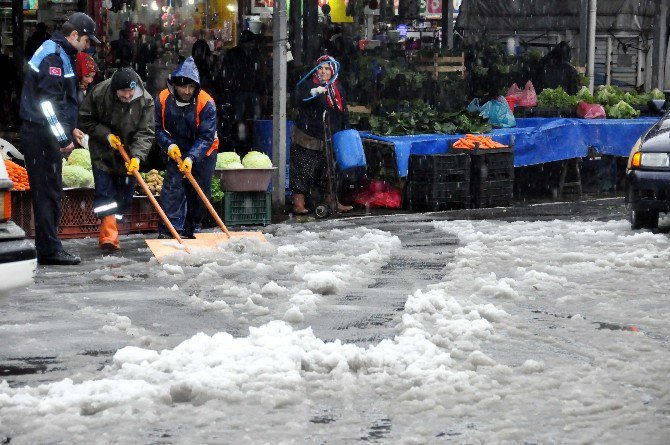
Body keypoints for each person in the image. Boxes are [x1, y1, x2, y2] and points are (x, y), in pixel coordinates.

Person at [19, 12, 100, 265]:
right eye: (87, 41)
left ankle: (49, 246)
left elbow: (60, 102)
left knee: (50, 192)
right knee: (47, 192)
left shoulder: (59, 52)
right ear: (74, 35)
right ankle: (49, 249)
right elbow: (48, 105)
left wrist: (71, 128)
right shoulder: (54, 56)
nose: (88, 47)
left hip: (43, 133)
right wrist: (63, 137)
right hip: (41, 136)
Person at [78, 68, 154, 251]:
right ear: (114, 90)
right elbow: (86, 120)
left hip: (128, 153)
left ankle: (114, 227)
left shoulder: (146, 100)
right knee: (105, 193)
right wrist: (106, 136)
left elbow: (146, 132)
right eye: (123, 92)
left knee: (125, 197)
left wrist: (136, 157)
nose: (127, 96)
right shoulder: (99, 93)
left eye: (130, 92)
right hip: (103, 152)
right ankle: (109, 236)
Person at [154, 56, 218, 239]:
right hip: (176, 149)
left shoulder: (206, 103)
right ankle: (169, 229)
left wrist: (191, 157)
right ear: (175, 85)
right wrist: (169, 144)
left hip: (204, 151)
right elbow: (157, 128)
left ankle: (192, 228)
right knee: (173, 189)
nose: (187, 91)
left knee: (199, 192)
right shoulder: (163, 99)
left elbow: (206, 136)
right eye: (183, 87)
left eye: (191, 87)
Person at [290, 55, 353, 215]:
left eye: (327, 69)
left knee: (329, 170)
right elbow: (297, 100)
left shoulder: (337, 88)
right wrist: (313, 93)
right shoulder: (307, 84)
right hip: (307, 135)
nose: (323, 72)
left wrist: (346, 129)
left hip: (330, 136)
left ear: (333, 71)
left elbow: (342, 110)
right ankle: (298, 203)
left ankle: (331, 201)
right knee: (303, 168)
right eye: (320, 68)